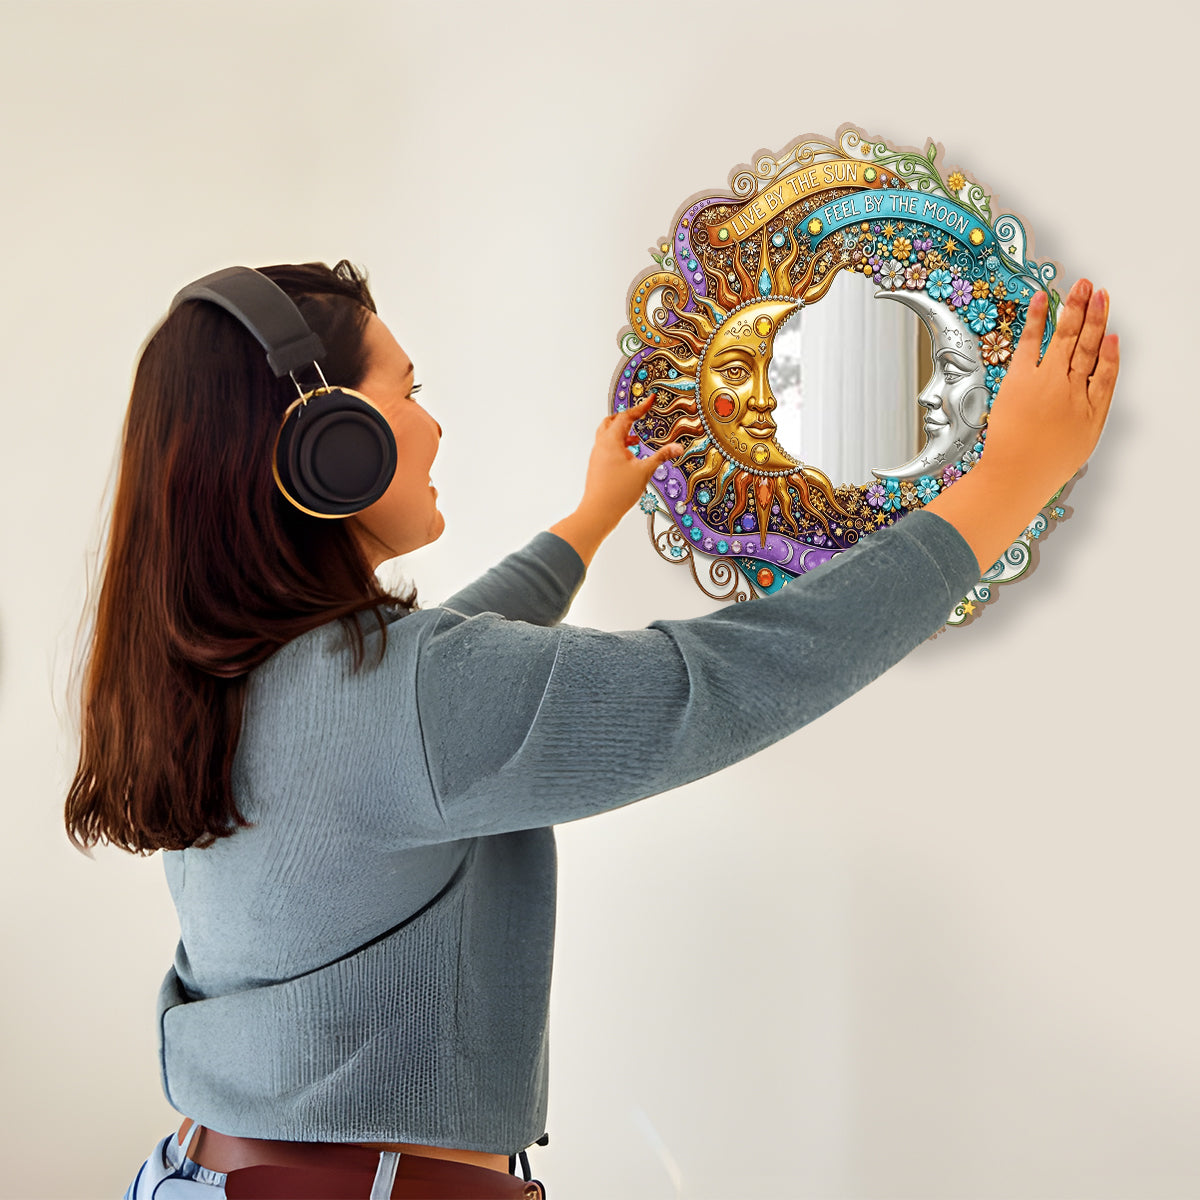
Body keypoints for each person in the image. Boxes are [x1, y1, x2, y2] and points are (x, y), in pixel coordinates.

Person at [67, 261, 1117, 1199]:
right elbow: (730, 678)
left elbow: (436, 689)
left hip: (201, 1173)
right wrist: (1011, 480)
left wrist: (587, 521)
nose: (433, 424)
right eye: (408, 391)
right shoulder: (414, 697)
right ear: (327, 445)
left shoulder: (233, 678)